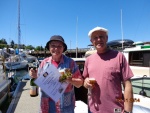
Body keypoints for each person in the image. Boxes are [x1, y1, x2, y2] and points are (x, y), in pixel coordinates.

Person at [83, 26, 133, 113]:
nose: (99, 39)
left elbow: (128, 85)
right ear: (91, 41)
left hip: (115, 110)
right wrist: (86, 82)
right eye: (95, 37)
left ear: (106, 38)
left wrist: (128, 110)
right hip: (93, 110)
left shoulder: (119, 56)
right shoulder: (88, 60)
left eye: (101, 36)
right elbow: (84, 82)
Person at [29, 35, 83, 113]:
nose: (56, 49)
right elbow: (40, 81)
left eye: (59, 46)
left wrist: (69, 79)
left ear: (63, 48)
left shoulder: (70, 63)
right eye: (53, 46)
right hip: (46, 105)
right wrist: (34, 76)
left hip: (65, 106)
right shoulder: (44, 63)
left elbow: (80, 83)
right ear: (49, 48)